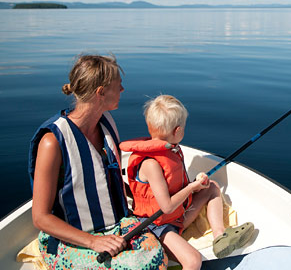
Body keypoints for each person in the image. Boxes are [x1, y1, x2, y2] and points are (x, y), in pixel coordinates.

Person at [28, 54, 168, 269]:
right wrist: (93, 242)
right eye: (118, 86)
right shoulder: (52, 142)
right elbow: (41, 218)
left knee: (157, 257)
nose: (122, 90)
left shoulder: (106, 123)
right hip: (74, 238)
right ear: (100, 92)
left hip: (116, 226)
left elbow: (105, 179)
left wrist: (145, 194)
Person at [120, 95, 254, 270]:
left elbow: (173, 186)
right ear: (177, 131)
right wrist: (192, 187)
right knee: (193, 261)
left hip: (178, 214)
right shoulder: (151, 164)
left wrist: (196, 185)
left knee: (212, 187)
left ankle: (220, 237)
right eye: (183, 127)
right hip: (157, 227)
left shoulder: (171, 149)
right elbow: (166, 207)